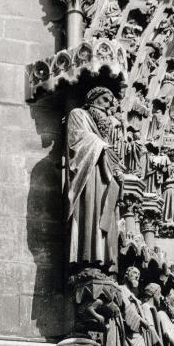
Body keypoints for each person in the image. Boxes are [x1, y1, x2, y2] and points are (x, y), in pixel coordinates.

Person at [67, 87, 124, 273]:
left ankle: (104, 260)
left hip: (104, 176)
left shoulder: (106, 131)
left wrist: (115, 166)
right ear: (93, 99)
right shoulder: (78, 114)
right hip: (87, 174)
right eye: (105, 100)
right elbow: (77, 138)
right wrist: (103, 147)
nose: (109, 107)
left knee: (103, 213)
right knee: (90, 210)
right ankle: (86, 257)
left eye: (111, 103)